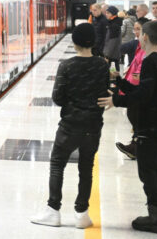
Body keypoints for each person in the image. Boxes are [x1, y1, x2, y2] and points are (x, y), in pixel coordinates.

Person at [98, 20, 157, 234]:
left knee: (147, 173)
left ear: (144, 37)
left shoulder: (150, 61)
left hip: (152, 128)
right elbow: (148, 89)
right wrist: (121, 83)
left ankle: (156, 219)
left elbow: (144, 95)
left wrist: (116, 100)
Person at [30, 23, 107, 229]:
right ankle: (82, 214)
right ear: (94, 41)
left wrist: (73, 104)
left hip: (70, 124)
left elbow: (57, 97)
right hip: (93, 125)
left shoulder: (67, 66)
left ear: (74, 42)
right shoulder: (102, 65)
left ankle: (53, 211)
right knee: (86, 167)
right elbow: (104, 94)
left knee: (57, 164)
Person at [116, 17, 150, 160]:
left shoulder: (148, 50)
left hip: (138, 87)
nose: (135, 32)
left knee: (137, 116)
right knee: (135, 116)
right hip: (132, 85)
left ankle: (137, 146)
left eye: (138, 29)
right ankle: (135, 144)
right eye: (135, 29)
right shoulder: (138, 46)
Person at [104, 6, 123, 71]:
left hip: (111, 52)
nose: (106, 14)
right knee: (116, 67)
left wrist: (107, 55)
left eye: (108, 13)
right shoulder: (114, 22)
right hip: (116, 51)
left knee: (108, 70)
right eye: (106, 13)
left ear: (113, 14)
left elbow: (112, 41)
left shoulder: (114, 25)